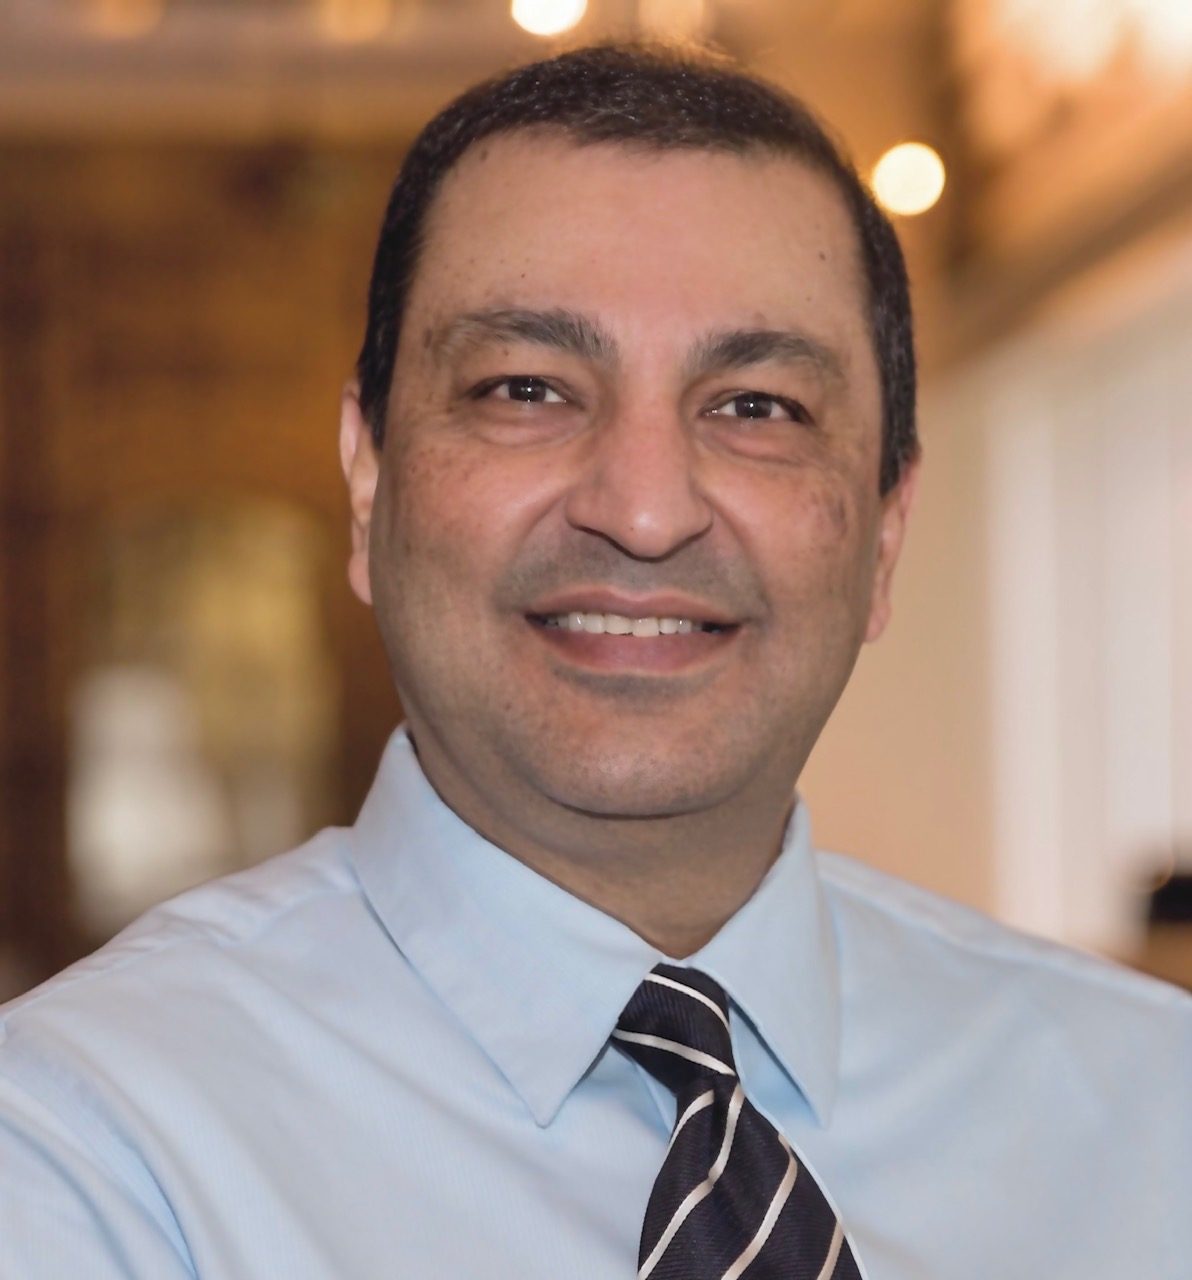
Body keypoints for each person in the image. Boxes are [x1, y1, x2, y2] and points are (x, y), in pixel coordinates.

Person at [1, 42, 1188, 1280]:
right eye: (526, 388)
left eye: (756, 406)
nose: (644, 508)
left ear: (884, 529)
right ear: (368, 481)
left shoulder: (1153, 1115)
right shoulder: (79, 1156)